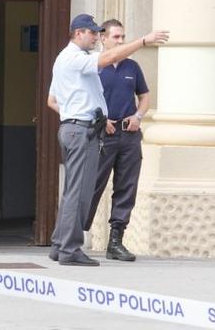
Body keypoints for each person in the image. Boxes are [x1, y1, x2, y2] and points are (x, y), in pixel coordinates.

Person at [47, 14, 168, 266]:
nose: (95, 37)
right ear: (78, 33)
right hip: (82, 130)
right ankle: (70, 249)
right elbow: (108, 58)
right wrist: (143, 41)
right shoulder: (74, 58)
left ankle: (60, 245)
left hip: (79, 129)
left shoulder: (70, 58)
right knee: (80, 192)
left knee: (74, 191)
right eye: (92, 32)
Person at [82, 19, 149, 262]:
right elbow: (82, 98)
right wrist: (101, 119)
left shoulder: (132, 66)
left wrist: (138, 116)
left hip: (128, 134)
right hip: (103, 134)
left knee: (126, 187)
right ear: (103, 38)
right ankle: (73, 237)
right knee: (92, 185)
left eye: (122, 37)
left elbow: (144, 96)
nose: (120, 41)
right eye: (116, 37)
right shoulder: (94, 65)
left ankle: (116, 241)